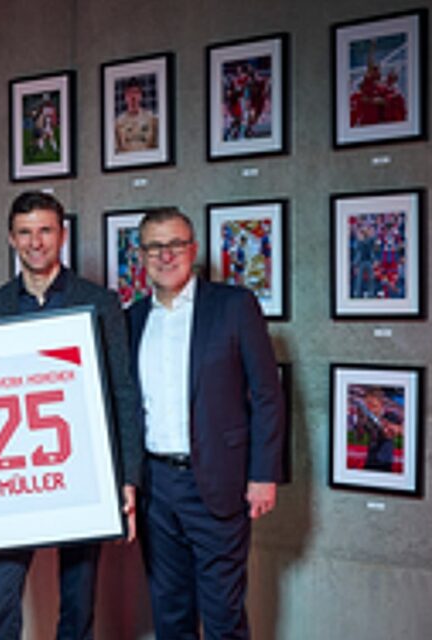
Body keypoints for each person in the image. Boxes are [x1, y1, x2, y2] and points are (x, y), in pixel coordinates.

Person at [0, 191, 143, 640]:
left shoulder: (101, 302)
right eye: (25, 232)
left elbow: (123, 390)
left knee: (78, 600)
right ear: (11, 238)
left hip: (83, 473)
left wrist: (127, 477)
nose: (36, 242)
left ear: (62, 235)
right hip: (11, 479)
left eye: (45, 230)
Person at [126, 208, 285, 640]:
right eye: (155, 247)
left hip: (217, 480)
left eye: (175, 244)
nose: (166, 255)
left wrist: (263, 475)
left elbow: (268, 395)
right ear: (141, 256)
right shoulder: (133, 318)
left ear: (193, 249)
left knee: (222, 615)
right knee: (169, 612)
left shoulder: (234, 306)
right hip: (155, 487)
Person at [115, 77, 158, 152]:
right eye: (129, 93)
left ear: (141, 95)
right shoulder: (118, 123)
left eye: (136, 92)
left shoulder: (152, 119)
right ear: (125, 96)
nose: (133, 96)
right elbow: (117, 150)